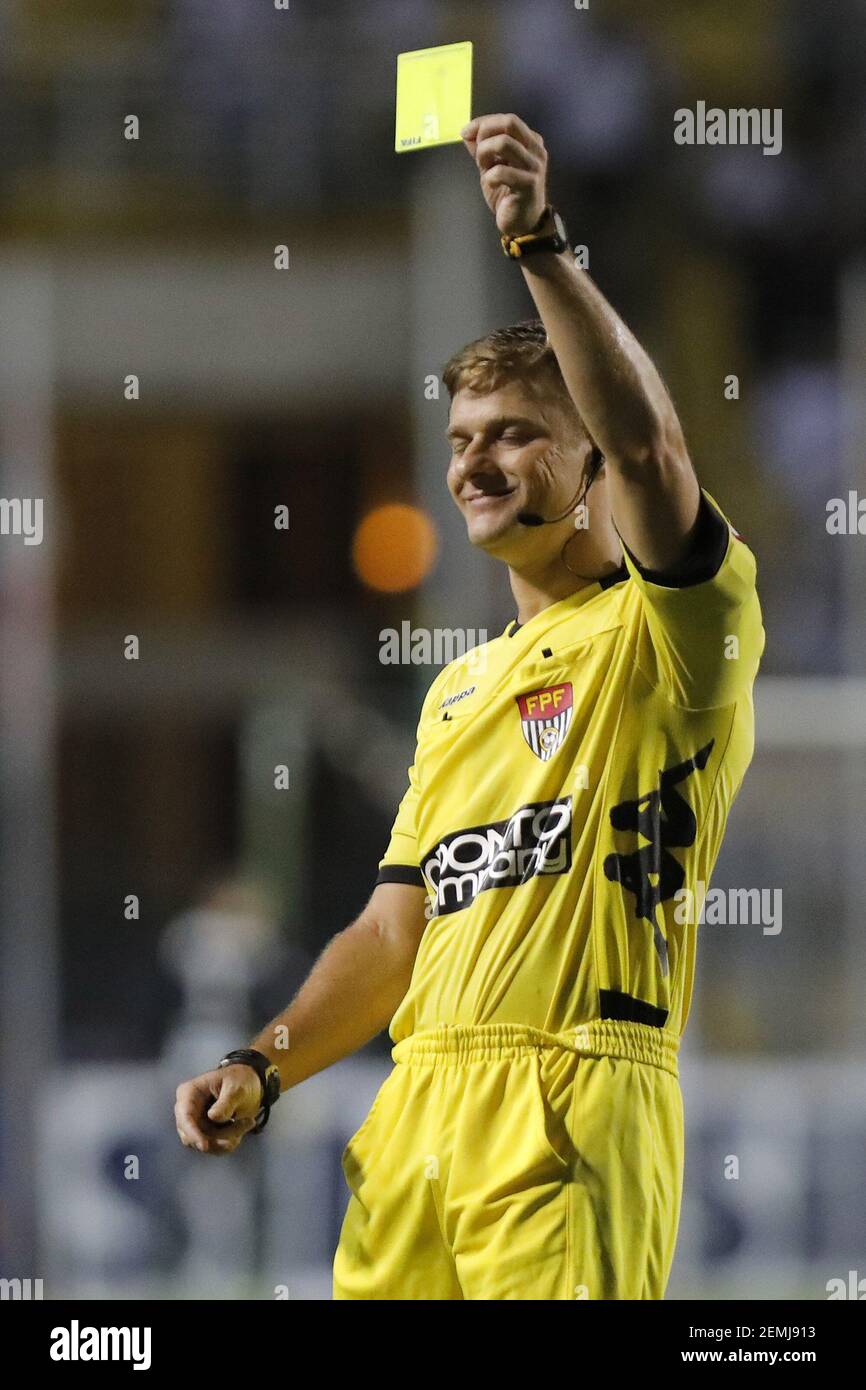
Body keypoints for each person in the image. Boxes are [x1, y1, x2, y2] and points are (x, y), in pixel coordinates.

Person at [175, 113, 765, 1300]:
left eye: (514, 437)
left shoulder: (672, 630)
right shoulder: (458, 688)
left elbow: (651, 448)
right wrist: (266, 1059)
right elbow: (394, 935)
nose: (473, 465)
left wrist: (539, 243)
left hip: (569, 1099)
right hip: (417, 1112)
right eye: (458, 440)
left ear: (587, 460)